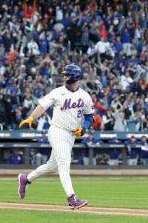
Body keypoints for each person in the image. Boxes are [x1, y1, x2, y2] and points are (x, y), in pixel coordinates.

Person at [17, 64, 94, 209]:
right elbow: (42, 106)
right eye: (64, 74)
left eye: (68, 74)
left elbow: (90, 117)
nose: (65, 76)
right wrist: (32, 118)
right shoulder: (57, 92)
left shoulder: (85, 96)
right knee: (64, 163)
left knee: (52, 166)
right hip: (57, 131)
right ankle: (72, 198)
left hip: (71, 135)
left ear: (76, 76)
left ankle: (26, 179)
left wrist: (83, 129)